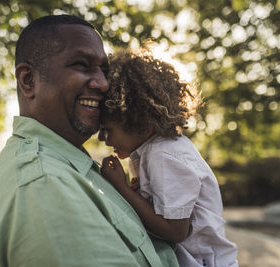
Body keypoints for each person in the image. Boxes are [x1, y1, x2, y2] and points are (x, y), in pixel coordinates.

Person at [0, 15, 179, 267]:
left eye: (104, 71)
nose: (104, 84)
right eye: (82, 65)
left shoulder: (64, 165)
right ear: (28, 80)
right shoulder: (45, 187)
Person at [99, 49, 239, 267]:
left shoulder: (163, 154)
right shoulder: (151, 150)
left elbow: (175, 231)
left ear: (141, 124)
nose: (104, 139)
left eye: (107, 130)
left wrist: (122, 189)